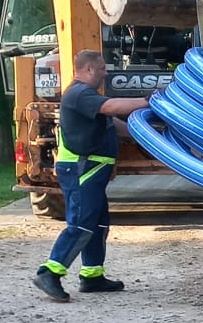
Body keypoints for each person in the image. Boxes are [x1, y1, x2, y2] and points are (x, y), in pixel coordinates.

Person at [32, 49, 151, 302]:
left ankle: (92, 276)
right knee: (82, 223)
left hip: (92, 167)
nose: (105, 73)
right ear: (87, 70)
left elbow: (111, 122)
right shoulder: (79, 93)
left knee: (97, 224)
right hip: (81, 168)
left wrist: (142, 133)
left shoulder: (87, 97)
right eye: (101, 69)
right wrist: (148, 101)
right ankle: (49, 272)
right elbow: (110, 107)